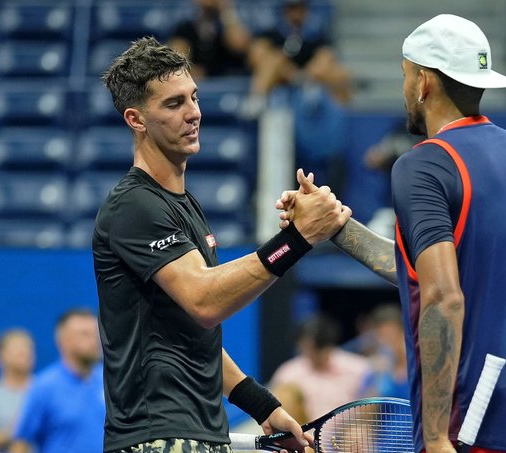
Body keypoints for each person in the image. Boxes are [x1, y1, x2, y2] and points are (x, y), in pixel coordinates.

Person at [278, 14, 506, 453]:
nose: (404, 91)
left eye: (405, 77)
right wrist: (337, 227)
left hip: (479, 427)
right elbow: (434, 271)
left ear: (423, 83)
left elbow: (443, 295)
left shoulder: (424, 163)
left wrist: (437, 436)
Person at [93, 36, 350, 453]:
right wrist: (297, 239)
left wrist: (263, 406)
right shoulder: (134, 205)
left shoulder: (181, 204)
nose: (194, 113)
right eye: (173, 104)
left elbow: (193, 333)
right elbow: (206, 302)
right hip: (158, 436)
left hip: (196, 432)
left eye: (193, 98)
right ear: (136, 120)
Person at [9, 309, 104, 453]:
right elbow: (21, 444)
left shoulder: (110, 381)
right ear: (63, 341)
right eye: (85, 334)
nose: (95, 340)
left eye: (95, 333)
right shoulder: (44, 387)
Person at [244, 0, 351, 112]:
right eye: (292, 9)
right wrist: (290, 73)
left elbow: (326, 54)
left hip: (310, 76)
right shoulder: (274, 31)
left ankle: (343, 115)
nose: (296, 14)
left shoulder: (315, 32)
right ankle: (256, 101)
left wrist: (308, 74)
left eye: (300, 9)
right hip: (282, 74)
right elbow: (256, 53)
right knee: (272, 61)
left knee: (340, 74)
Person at [269, 314, 371, 424]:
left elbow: (370, 414)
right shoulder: (288, 373)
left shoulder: (359, 369)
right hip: (302, 437)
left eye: (315, 350)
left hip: (348, 437)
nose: (309, 353)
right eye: (304, 348)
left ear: (329, 345)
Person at [167, 0, 250, 80]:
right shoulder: (185, 28)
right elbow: (175, 59)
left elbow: (239, 44)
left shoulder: (228, 25)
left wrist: (226, 10)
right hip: (196, 80)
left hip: (228, 76)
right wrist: (188, 70)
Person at [358, 304, 409, 400]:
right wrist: (378, 379)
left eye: (393, 335)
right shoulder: (374, 371)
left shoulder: (419, 366)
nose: (389, 343)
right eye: (383, 336)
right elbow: (365, 413)